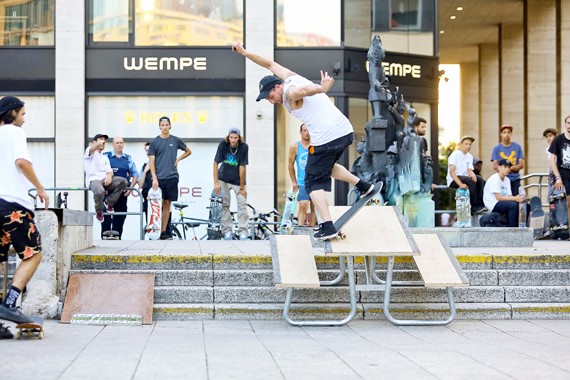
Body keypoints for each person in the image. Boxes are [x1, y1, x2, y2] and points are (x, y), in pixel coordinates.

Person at [232, 42, 374, 240]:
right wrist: (245, 53)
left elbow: (302, 92)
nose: (270, 100)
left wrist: (320, 88)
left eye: (270, 95)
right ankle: (364, 186)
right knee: (328, 167)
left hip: (327, 137)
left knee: (311, 181)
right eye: (267, 98)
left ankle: (327, 225)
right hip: (343, 132)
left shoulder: (289, 93)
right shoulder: (289, 76)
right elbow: (269, 63)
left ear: (277, 87)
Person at [0, 96, 50, 333]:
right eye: (22, 114)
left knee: (1, 262)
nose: (24, 118)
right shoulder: (14, 133)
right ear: (12, 114)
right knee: (33, 253)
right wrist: (40, 188)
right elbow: (22, 162)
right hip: (12, 206)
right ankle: (10, 304)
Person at [149, 116, 192, 240]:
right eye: (162, 125)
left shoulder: (176, 140)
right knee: (158, 205)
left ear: (170, 126)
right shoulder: (154, 142)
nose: (164, 127)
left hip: (172, 177)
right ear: (159, 127)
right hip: (159, 178)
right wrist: (154, 178)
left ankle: (163, 232)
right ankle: (155, 232)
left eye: (166, 125)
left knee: (167, 204)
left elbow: (188, 151)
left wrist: (178, 159)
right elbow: (151, 162)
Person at [213, 127, 249, 240]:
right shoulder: (223, 144)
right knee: (225, 204)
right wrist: (215, 182)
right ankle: (227, 230)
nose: (233, 140)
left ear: (239, 138)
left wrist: (242, 187)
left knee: (242, 204)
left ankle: (243, 231)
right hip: (223, 178)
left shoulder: (244, 147)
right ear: (228, 137)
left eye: (235, 138)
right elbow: (215, 162)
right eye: (231, 137)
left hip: (238, 180)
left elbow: (242, 167)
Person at [84, 134, 128, 223]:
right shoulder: (89, 152)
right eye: (101, 139)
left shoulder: (104, 157)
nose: (103, 142)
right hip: (94, 180)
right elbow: (92, 149)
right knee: (100, 191)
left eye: (104, 140)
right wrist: (98, 143)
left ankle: (109, 203)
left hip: (105, 180)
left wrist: (109, 176)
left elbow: (109, 170)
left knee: (123, 181)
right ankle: (99, 211)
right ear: (94, 142)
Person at [101, 136, 139, 239]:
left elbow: (135, 175)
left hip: (122, 193)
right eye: (117, 143)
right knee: (106, 214)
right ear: (113, 144)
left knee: (120, 214)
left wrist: (130, 189)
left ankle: (117, 236)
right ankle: (105, 235)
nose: (119, 144)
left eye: (121, 142)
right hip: (108, 192)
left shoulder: (128, 158)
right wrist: (102, 188)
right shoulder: (105, 156)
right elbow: (99, 172)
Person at [446, 136, 486, 214]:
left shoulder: (469, 156)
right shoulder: (455, 154)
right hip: (454, 179)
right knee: (470, 180)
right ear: (460, 144)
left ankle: (480, 204)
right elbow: (452, 172)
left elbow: (469, 170)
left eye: (470, 144)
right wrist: (460, 184)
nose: (468, 146)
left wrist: (473, 174)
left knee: (480, 179)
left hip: (465, 178)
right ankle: (474, 207)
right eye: (466, 144)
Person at [483, 158, 526, 227]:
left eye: (509, 167)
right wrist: (515, 198)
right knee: (513, 206)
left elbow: (509, 196)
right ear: (499, 167)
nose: (507, 169)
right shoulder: (495, 178)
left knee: (522, 205)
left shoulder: (507, 180)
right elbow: (498, 197)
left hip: (501, 202)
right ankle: (511, 228)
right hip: (493, 203)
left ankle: (521, 227)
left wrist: (519, 197)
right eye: (505, 167)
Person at [288, 124, 316, 227]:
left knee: (315, 206)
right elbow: (290, 165)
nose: (306, 133)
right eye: (304, 130)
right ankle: (300, 230)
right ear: (300, 132)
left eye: (308, 130)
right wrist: (294, 182)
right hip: (302, 182)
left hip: (315, 181)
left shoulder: (315, 145)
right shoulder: (295, 147)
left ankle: (312, 230)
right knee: (303, 204)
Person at [491, 124, 525, 195]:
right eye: (504, 132)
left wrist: (508, 169)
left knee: (516, 201)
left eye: (508, 132)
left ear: (511, 134)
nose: (506, 134)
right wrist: (508, 169)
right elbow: (495, 166)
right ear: (501, 134)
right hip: (501, 179)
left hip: (515, 179)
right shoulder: (496, 148)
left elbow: (521, 165)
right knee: (504, 200)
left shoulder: (517, 147)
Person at [548, 115, 570, 210]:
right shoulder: (558, 139)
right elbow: (552, 159)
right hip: (564, 176)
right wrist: (558, 177)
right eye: (568, 123)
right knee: (568, 201)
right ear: (565, 124)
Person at [138, 142, 153, 223]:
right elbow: (140, 184)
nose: (148, 152)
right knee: (150, 226)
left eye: (150, 150)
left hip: (160, 201)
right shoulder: (144, 166)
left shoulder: (161, 164)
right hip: (148, 201)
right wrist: (145, 171)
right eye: (146, 150)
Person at [543, 128, 557, 198]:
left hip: (560, 177)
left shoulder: (560, 147)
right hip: (551, 178)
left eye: (550, 136)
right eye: (546, 137)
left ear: (555, 136)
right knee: (551, 200)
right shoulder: (547, 149)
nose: (548, 138)